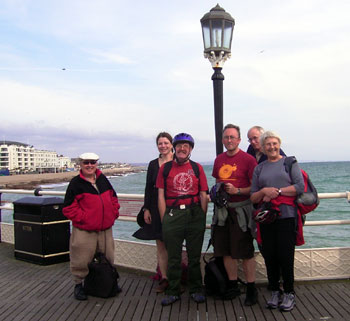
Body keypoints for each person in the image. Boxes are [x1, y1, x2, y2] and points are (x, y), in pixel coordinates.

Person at [250, 131, 304, 312]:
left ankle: (289, 293)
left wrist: (278, 192)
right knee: (270, 256)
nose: (271, 147)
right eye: (268, 144)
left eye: (274, 143)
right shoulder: (260, 168)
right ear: (263, 147)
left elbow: (299, 187)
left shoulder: (290, 162)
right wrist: (265, 190)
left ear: (279, 144)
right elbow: (253, 196)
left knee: (286, 256)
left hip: (287, 216)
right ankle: (275, 291)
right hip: (266, 218)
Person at [156, 133, 208, 306]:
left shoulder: (197, 168)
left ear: (191, 149)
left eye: (186, 146)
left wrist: (201, 217)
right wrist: (165, 219)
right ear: (174, 148)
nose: (182, 148)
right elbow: (161, 195)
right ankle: (173, 290)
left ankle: (195, 289)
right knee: (173, 257)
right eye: (179, 146)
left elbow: (203, 194)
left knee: (194, 256)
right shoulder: (165, 169)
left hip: (194, 214)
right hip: (173, 214)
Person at [63, 152, 120, 301]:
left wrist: (113, 213)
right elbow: (68, 208)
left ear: (97, 164)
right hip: (84, 230)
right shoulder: (75, 183)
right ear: (80, 164)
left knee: (108, 257)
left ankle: (109, 282)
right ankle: (78, 285)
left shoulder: (103, 180)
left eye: (92, 162)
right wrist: (85, 219)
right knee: (81, 259)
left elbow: (113, 198)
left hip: (105, 229)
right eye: (86, 162)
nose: (89, 165)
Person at [211, 124, 258, 306]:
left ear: (238, 140)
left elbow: (255, 187)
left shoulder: (248, 160)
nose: (229, 140)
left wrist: (238, 189)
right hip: (223, 210)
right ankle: (232, 285)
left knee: (245, 251)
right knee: (225, 250)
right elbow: (216, 181)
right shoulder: (219, 159)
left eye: (232, 137)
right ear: (223, 140)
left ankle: (251, 288)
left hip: (241, 210)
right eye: (226, 137)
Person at [133, 132, 173, 293]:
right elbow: (149, 188)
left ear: (171, 144)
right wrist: (146, 209)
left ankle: (176, 278)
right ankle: (164, 278)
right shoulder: (153, 164)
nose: (163, 146)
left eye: (166, 143)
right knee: (161, 246)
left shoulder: (178, 162)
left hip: (174, 208)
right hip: (156, 209)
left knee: (174, 245)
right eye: (160, 143)